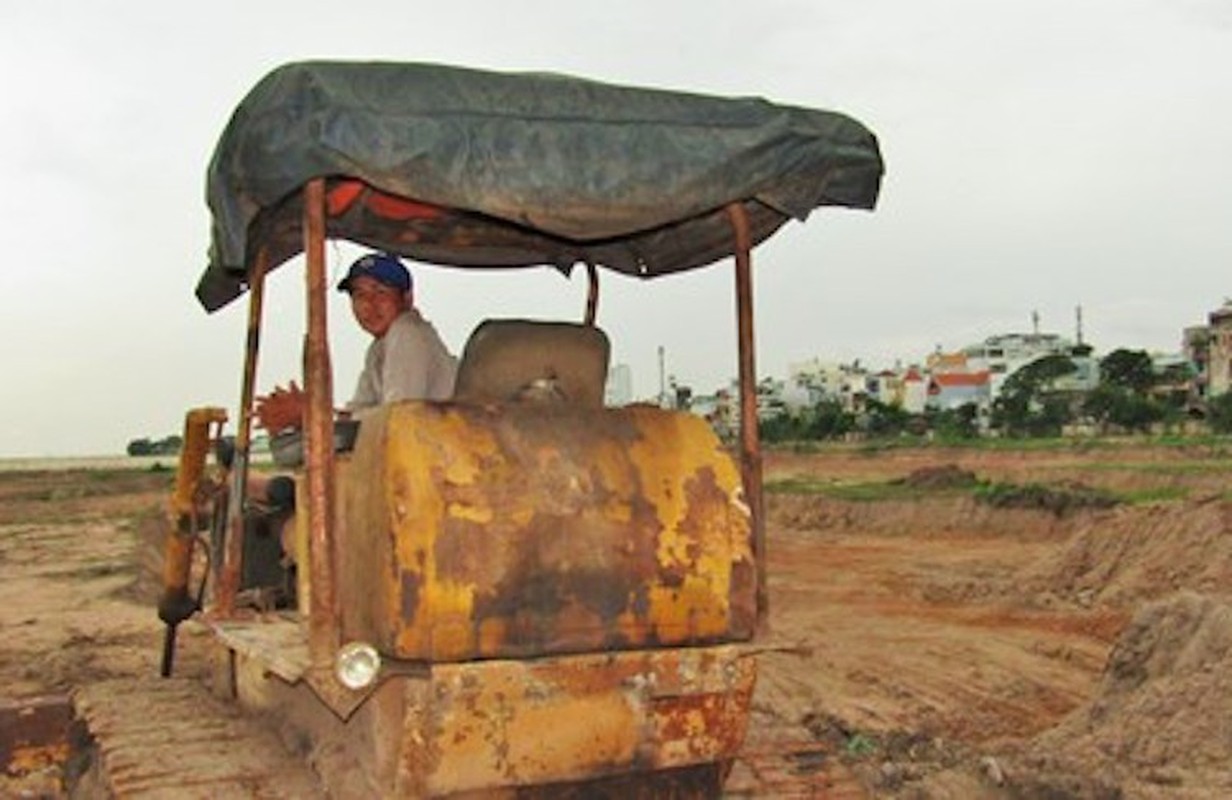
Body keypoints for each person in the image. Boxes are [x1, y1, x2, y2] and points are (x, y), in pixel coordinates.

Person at [255, 251, 458, 431]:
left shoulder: (407, 332)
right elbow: (357, 412)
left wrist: (313, 414)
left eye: (380, 292)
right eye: (360, 295)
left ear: (407, 299)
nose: (369, 304)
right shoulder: (378, 348)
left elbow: (395, 418)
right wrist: (313, 412)